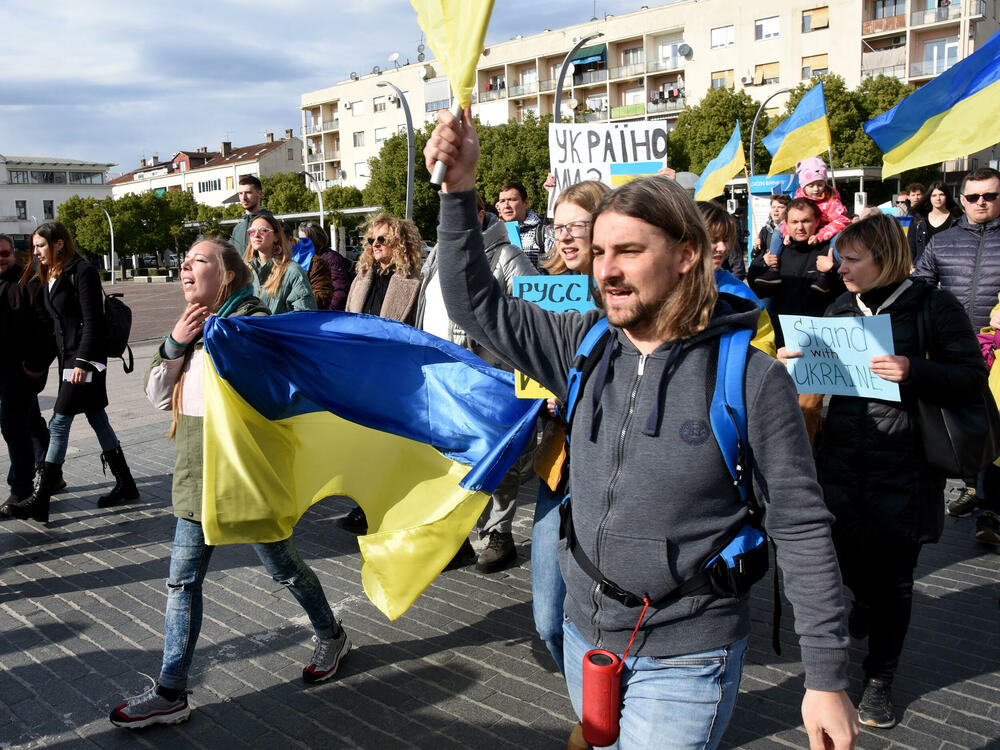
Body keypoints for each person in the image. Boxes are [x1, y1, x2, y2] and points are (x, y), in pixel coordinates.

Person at [425, 108, 857, 750]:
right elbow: (475, 303)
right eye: (600, 252)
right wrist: (459, 191)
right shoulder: (582, 343)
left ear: (686, 255)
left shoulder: (751, 378)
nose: (606, 270)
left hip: (689, 651)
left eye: (628, 251)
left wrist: (824, 676)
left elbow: (800, 525)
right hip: (586, 634)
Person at [109, 237, 350, 729]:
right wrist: (175, 342)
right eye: (184, 261)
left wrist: (223, 338)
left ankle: (332, 634)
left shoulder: (252, 322)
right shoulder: (188, 326)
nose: (185, 267)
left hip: (244, 473)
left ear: (228, 274)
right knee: (182, 582)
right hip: (197, 475)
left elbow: (269, 389)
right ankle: (171, 691)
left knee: (284, 569)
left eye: (198, 260)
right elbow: (158, 396)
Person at [780, 213, 987, 728]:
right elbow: (815, 382)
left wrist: (914, 370)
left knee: (895, 583)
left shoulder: (933, 305)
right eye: (841, 260)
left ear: (885, 258)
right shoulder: (840, 307)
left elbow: (969, 377)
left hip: (906, 469)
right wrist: (792, 365)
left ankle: (879, 679)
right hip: (840, 464)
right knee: (846, 567)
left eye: (851, 260)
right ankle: (865, 605)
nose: (840, 269)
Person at [417, 194, 538, 573]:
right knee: (455, 459)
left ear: (481, 216)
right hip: (443, 376)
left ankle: (499, 534)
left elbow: (534, 313)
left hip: (488, 377)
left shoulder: (507, 257)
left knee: (496, 459)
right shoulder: (438, 255)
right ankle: (461, 536)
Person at [3, 222, 138, 523]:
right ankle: (126, 483)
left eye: (40, 245)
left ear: (59, 243)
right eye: (34, 246)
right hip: (69, 360)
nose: (35, 252)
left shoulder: (82, 271)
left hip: (85, 362)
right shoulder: (50, 273)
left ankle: (40, 500)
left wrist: (82, 363)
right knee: (97, 418)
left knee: (59, 422)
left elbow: (92, 322)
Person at [913, 167, 1000, 526]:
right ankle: (971, 487)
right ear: (961, 200)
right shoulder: (942, 241)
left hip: (998, 351)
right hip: (952, 349)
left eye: (990, 196)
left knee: (996, 425)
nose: (981, 202)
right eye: (974, 196)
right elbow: (919, 286)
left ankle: (990, 507)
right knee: (961, 422)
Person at [339, 214, 423, 534]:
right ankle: (365, 504)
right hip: (362, 373)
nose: (374, 245)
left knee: (389, 445)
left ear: (399, 242)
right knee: (364, 444)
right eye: (371, 240)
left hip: (395, 375)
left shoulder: (415, 280)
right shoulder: (362, 277)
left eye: (382, 239)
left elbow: (420, 330)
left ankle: (383, 507)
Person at [0, 234, 49, 509]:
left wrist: (34, 366)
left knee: (12, 425)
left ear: (13, 253)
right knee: (30, 422)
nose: (1, 258)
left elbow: (45, 327)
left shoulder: (29, 282)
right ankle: (52, 474)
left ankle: (21, 489)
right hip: (3, 369)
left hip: (22, 371)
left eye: (4, 253)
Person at [757, 157, 849, 290]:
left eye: (820, 184)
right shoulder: (798, 197)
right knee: (777, 232)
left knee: (839, 237)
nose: (816, 189)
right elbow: (789, 219)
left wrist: (820, 236)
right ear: (803, 185)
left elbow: (841, 221)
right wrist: (787, 233)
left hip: (827, 232)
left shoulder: (832, 199)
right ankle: (773, 269)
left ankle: (826, 274)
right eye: (811, 185)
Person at [244, 214, 316, 314]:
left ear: (276, 237)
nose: (256, 235)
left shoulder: (293, 271)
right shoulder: (245, 272)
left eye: (263, 230)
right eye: (252, 231)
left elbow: (304, 316)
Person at [495, 181, 553, 270]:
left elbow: (557, 271)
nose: (506, 205)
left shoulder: (544, 233)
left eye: (512, 200)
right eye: (502, 201)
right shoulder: (494, 235)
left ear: (526, 203)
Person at [298, 221, 353, 310]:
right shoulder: (306, 259)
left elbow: (340, 291)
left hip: (327, 313)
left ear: (315, 240)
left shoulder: (332, 259)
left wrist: (328, 313)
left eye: (304, 240)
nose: (300, 244)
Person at [907, 181, 960, 267]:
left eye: (941, 195)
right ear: (929, 197)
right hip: (921, 268)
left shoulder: (957, 219)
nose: (938, 198)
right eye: (934, 195)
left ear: (947, 196)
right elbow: (910, 247)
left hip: (948, 268)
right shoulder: (919, 219)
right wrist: (910, 265)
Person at [230, 176, 273, 252]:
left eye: (248, 193)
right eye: (240, 193)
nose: (243, 197)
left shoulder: (271, 225)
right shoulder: (237, 229)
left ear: (260, 194)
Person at [753, 193, 790, 262]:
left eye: (780, 207)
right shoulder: (765, 230)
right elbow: (754, 256)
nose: (776, 210)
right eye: (773, 207)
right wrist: (756, 248)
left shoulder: (791, 229)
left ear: (787, 210)